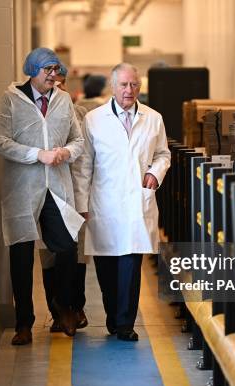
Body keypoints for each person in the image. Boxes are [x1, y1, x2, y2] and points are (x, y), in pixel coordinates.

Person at [0, 48, 84, 345]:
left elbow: (78, 139)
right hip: (23, 188)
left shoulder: (63, 99)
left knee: (67, 248)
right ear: (32, 70)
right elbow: (0, 141)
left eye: (56, 70)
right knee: (20, 257)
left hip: (56, 187)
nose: (54, 76)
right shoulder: (11, 100)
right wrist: (37, 155)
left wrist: (65, 152)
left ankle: (64, 307)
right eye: (48, 70)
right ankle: (24, 324)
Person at [73, 63, 171, 341]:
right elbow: (84, 166)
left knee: (130, 261)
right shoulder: (94, 119)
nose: (129, 90)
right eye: (124, 85)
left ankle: (125, 324)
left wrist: (155, 172)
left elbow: (164, 154)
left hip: (136, 203)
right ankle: (113, 318)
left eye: (134, 85)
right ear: (112, 86)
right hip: (103, 202)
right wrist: (82, 202)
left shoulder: (153, 118)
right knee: (106, 268)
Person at [39, 64, 89, 332]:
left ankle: (75, 306)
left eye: (59, 84)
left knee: (76, 254)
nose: (54, 88)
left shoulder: (78, 113)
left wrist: (83, 200)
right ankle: (56, 311)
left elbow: (85, 160)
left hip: (71, 192)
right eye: (50, 83)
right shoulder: (36, 112)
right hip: (45, 194)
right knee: (49, 254)